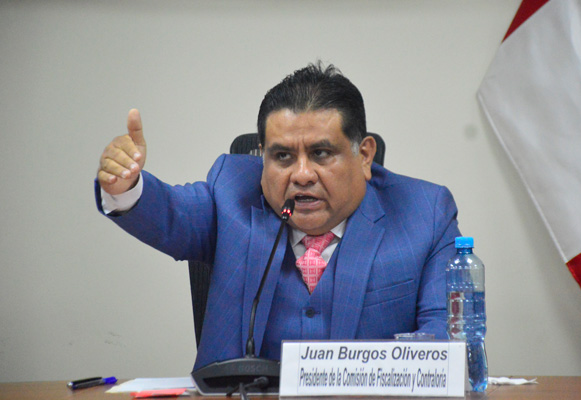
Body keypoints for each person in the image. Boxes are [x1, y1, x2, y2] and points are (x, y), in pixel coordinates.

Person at [95, 63, 461, 371]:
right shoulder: (231, 193)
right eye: (282, 156)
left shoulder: (424, 213)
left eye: (321, 153)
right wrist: (126, 185)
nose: (301, 175)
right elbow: (171, 214)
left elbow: (444, 339)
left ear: (364, 155)